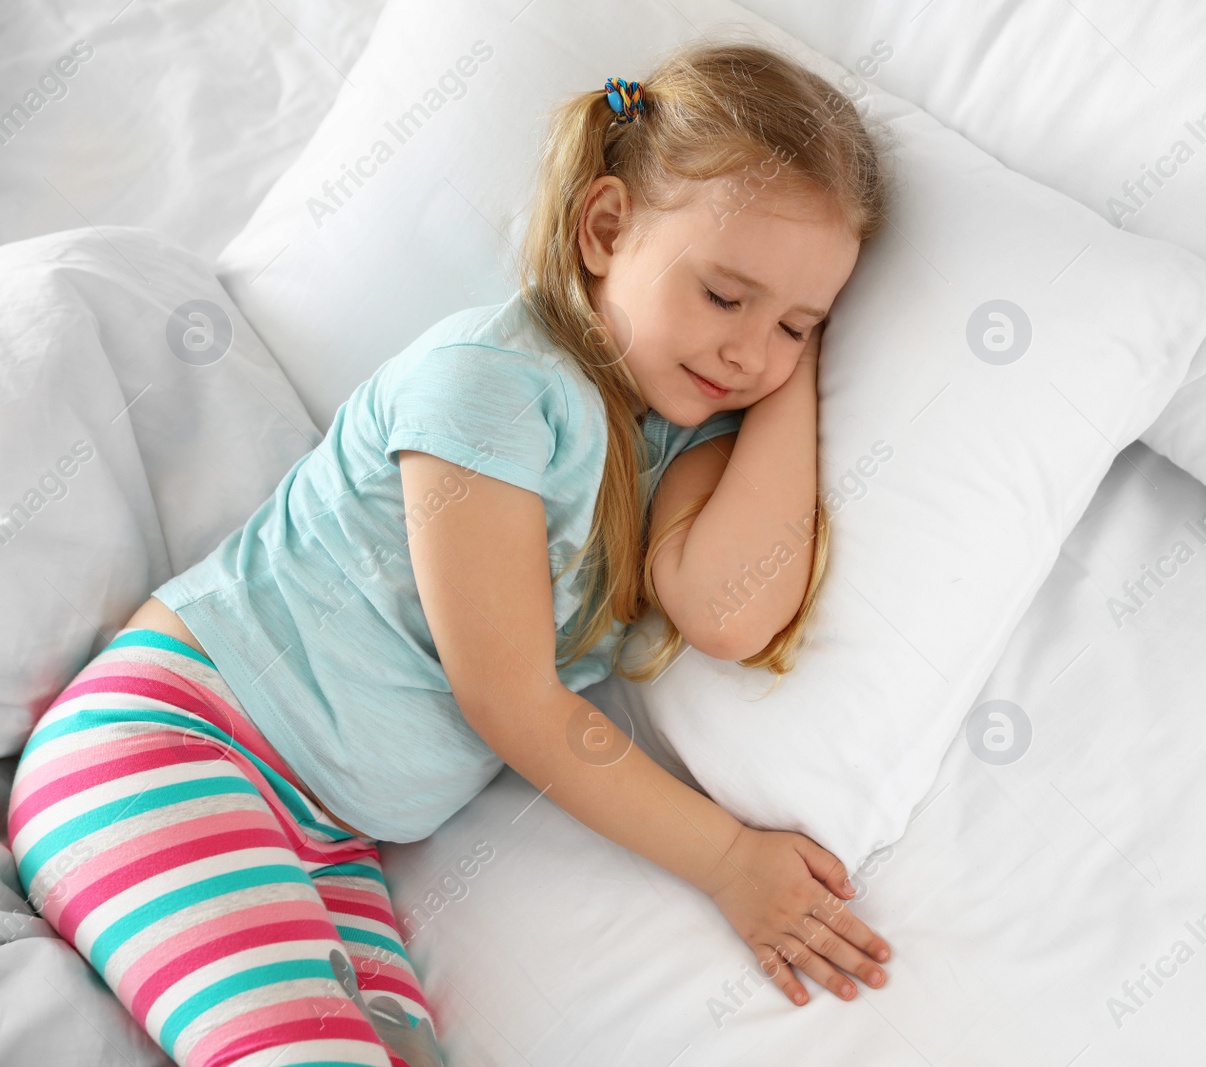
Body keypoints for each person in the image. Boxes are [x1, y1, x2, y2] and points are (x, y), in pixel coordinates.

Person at [6, 38, 894, 1067]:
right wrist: (730, 857)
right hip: (174, 748)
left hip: (327, 837)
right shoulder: (491, 384)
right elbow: (510, 700)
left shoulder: (682, 439)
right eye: (726, 296)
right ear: (605, 228)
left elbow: (728, 610)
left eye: (796, 326)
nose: (749, 352)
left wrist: (796, 371)